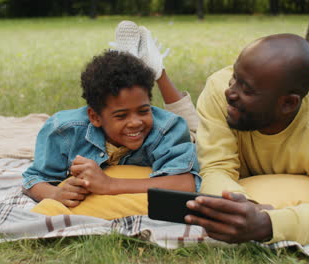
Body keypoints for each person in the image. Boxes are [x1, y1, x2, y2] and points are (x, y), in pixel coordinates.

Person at [185, 34, 309, 245]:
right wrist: (239, 208)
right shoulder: (218, 90)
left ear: (288, 103)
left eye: (246, 90)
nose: (230, 92)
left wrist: (267, 224)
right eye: (235, 77)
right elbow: (216, 168)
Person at [22, 49, 201, 210]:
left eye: (143, 111)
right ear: (95, 117)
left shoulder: (167, 129)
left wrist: (110, 185)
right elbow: (33, 180)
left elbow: (186, 184)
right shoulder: (65, 131)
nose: (135, 122)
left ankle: (158, 69)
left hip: (190, 142)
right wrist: (55, 194)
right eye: (121, 116)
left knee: (198, 134)